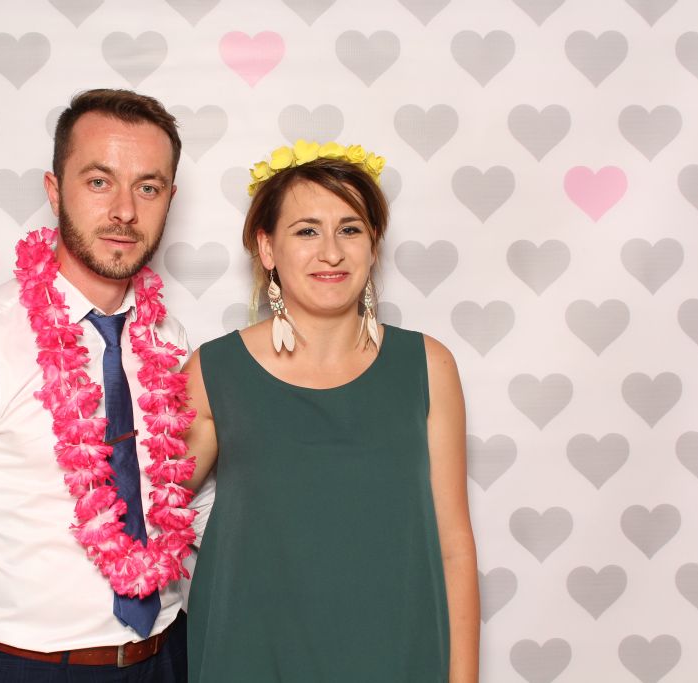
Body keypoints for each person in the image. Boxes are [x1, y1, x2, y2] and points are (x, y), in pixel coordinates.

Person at [0, 88, 202, 683]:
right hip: (33, 668)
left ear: (169, 199)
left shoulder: (170, 341)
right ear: (54, 190)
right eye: (99, 182)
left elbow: (186, 502)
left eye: (148, 187)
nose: (125, 211)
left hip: (167, 658)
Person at [181, 141, 480, 681]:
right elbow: (146, 516)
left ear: (373, 244)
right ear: (267, 247)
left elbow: (454, 548)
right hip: (251, 658)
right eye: (306, 231)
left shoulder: (427, 366)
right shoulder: (213, 371)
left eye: (350, 229)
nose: (332, 252)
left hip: (398, 657)